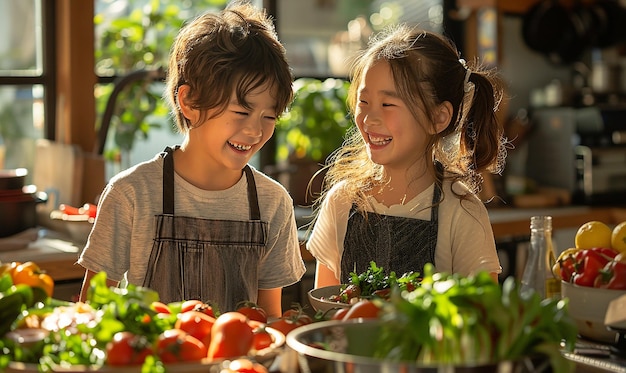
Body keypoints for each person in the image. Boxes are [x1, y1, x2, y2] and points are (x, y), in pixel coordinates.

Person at [77, 1, 306, 318]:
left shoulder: (273, 202)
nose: (255, 130)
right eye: (241, 112)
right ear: (189, 101)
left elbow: (270, 320)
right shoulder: (131, 194)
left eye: (269, 116)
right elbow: (90, 316)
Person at [306, 24, 507, 288]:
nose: (368, 118)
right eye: (363, 102)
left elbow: (482, 317)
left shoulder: (461, 212)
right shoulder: (341, 202)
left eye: (387, 104)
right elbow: (326, 306)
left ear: (438, 117)